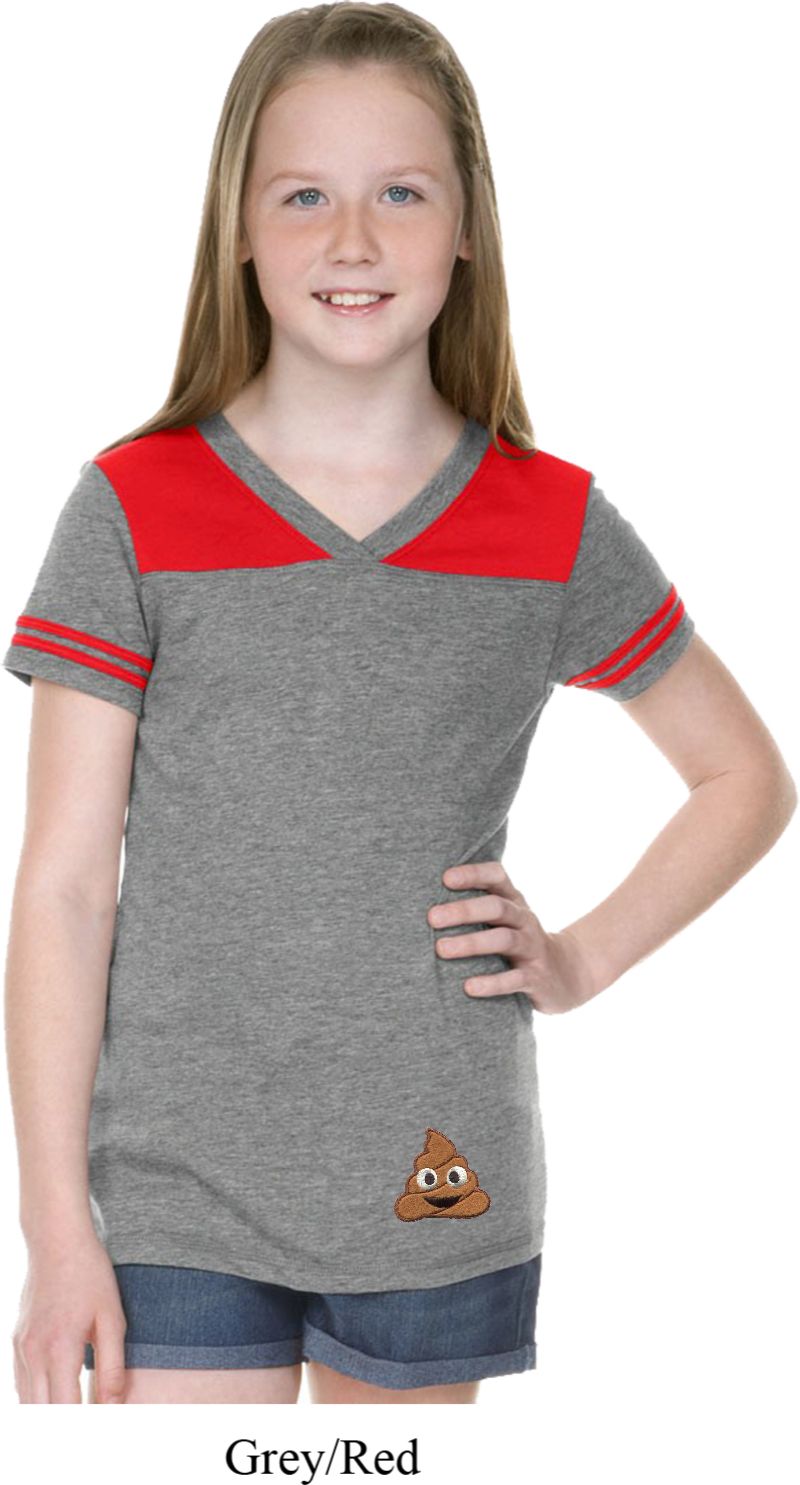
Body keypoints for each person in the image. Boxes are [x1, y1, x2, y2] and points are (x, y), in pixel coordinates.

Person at [3, 1, 795, 1408]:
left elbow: (745, 779)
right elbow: (63, 890)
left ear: (466, 226)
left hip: (438, 1164)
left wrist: (581, 959)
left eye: (403, 194)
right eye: (305, 195)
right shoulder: (130, 505)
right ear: (240, 228)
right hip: (173, 1189)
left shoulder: (550, 524)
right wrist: (56, 1229)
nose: (354, 241)